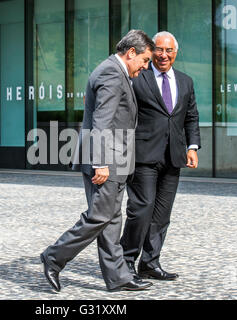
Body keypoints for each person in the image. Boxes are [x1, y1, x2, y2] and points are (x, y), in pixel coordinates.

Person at [40, 30, 155, 292]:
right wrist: (101, 162)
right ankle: (53, 256)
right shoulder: (112, 73)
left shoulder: (114, 70)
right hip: (106, 159)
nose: (146, 67)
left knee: (112, 219)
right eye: (145, 60)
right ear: (131, 53)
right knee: (99, 216)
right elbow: (102, 120)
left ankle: (118, 277)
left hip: (116, 158)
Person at [120, 31, 201, 281]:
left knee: (162, 214)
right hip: (143, 155)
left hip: (174, 156)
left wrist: (192, 146)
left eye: (169, 51)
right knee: (141, 209)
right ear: (151, 51)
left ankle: (150, 262)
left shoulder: (186, 81)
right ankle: (126, 260)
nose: (163, 55)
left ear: (176, 53)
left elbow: (191, 116)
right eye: (159, 50)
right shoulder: (137, 76)